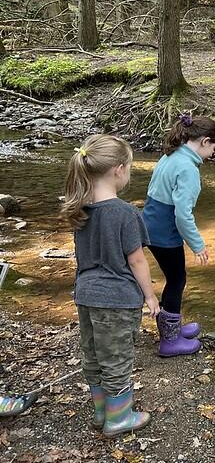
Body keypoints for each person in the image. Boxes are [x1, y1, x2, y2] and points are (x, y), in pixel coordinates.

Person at [63, 134, 159, 437]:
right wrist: (150, 296)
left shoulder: (80, 210)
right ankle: (119, 419)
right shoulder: (126, 212)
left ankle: (101, 412)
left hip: (86, 294)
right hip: (117, 297)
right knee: (116, 357)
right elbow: (137, 261)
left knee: (93, 354)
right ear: (118, 169)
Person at [142, 113, 215, 357]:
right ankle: (170, 341)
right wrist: (197, 245)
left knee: (173, 277)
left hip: (150, 223)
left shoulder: (172, 155)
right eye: (214, 149)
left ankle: (174, 329)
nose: (212, 155)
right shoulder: (188, 169)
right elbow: (182, 215)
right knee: (177, 280)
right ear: (204, 141)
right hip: (165, 233)